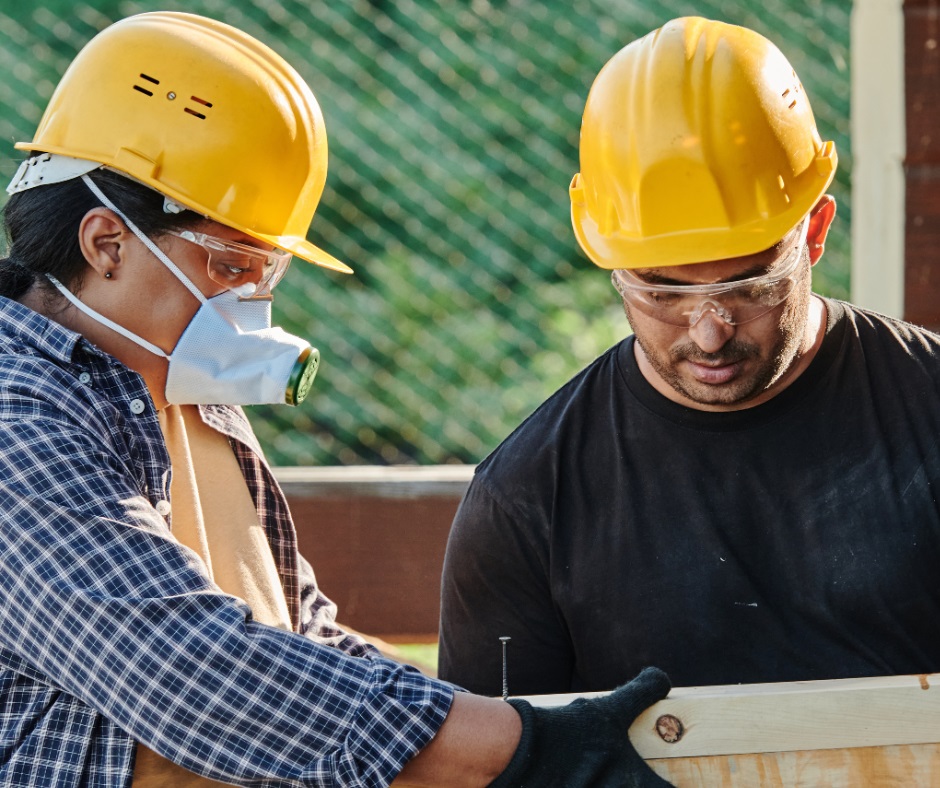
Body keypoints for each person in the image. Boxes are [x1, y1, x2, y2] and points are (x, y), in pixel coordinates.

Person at [0, 11, 674, 787]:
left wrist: (489, 723)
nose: (252, 300)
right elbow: (186, 667)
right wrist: (523, 750)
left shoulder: (193, 397)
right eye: (229, 264)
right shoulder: (20, 415)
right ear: (106, 244)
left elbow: (301, 635)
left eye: (269, 271)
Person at [439, 15, 940, 698]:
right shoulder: (529, 500)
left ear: (815, 232)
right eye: (662, 291)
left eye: (749, 285)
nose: (708, 332)